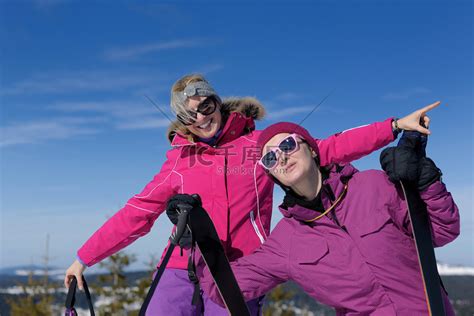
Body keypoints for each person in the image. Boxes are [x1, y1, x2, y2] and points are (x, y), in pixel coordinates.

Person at [64, 73, 440, 315]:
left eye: (205, 107)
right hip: (183, 267)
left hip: (240, 269)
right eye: (189, 115)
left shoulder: (260, 148)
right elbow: (136, 213)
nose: (201, 118)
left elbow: (327, 148)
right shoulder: (178, 163)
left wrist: (391, 127)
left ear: (217, 102)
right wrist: (84, 258)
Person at [197, 121, 459, 315]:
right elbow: (224, 289)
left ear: (311, 150)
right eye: (270, 157)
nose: (282, 157)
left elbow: (442, 231)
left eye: (287, 144)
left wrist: (426, 182)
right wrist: (199, 238)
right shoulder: (286, 241)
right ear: (272, 174)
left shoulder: (373, 185)